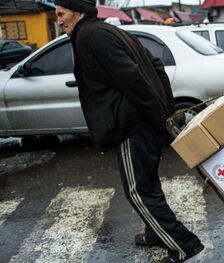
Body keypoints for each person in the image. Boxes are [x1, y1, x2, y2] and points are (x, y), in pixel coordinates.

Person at [54, 1, 205, 263]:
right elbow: (155, 65)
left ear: (78, 12)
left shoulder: (89, 36)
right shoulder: (108, 31)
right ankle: (154, 233)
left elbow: (133, 77)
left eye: (61, 14)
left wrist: (158, 118)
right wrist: (164, 111)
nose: (58, 20)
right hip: (144, 121)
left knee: (138, 190)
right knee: (148, 183)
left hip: (133, 125)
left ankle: (183, 244)